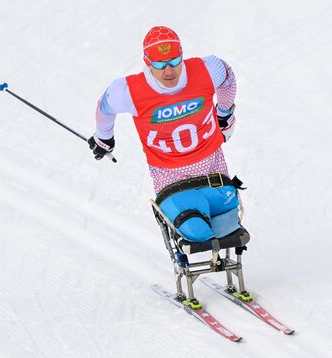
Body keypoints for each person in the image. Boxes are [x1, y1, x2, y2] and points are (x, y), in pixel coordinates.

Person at [88, 25, 248, 243]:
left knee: (227, 230)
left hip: (214, 178)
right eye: (160, 65)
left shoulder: (207, 69)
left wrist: (224, 112)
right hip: (173, 184)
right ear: (147, 62)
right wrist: (103, 137)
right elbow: (105, 107)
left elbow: (228, 78)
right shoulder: (129, 91)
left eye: (174, 62)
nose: (169, 71)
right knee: (198, 232)